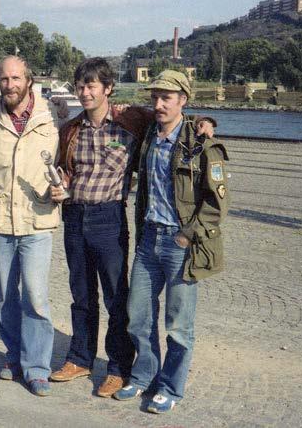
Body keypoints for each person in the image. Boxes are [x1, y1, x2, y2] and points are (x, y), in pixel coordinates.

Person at [50, 59, 215, 398]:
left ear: (107, 88)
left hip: (109, 219)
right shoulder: (70, 129)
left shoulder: (131, 121)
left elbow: (172, 118)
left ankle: (117, 367)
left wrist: (205, 121)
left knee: (116, 298)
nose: (85, 92)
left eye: (92, 85)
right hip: (74, 216)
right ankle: (80, 358)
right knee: (81, 295)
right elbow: (64, 169)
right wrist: (59, 187)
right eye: (80, 86)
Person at [113, 70, 230, 413]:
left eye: (167, 97)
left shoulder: (202, 144)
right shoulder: (149, 133)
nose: (159, 103)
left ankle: (171, 387)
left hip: (180, 245)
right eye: (155, 97)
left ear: (183, 101)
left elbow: (217, 203)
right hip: (149, 239)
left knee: (178, 324)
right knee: (138, 316)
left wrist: (186, 235)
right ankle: (144, 376)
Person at [0, 55, 61, 397]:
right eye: (4, 79)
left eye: (16, 78)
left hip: (37, 220)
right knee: (4, 298)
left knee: (36, 298)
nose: (9, 85)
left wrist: (202, 121)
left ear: (29, 80)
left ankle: (38, 367)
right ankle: (13, 357)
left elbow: (105, 119)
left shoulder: (54, 115)